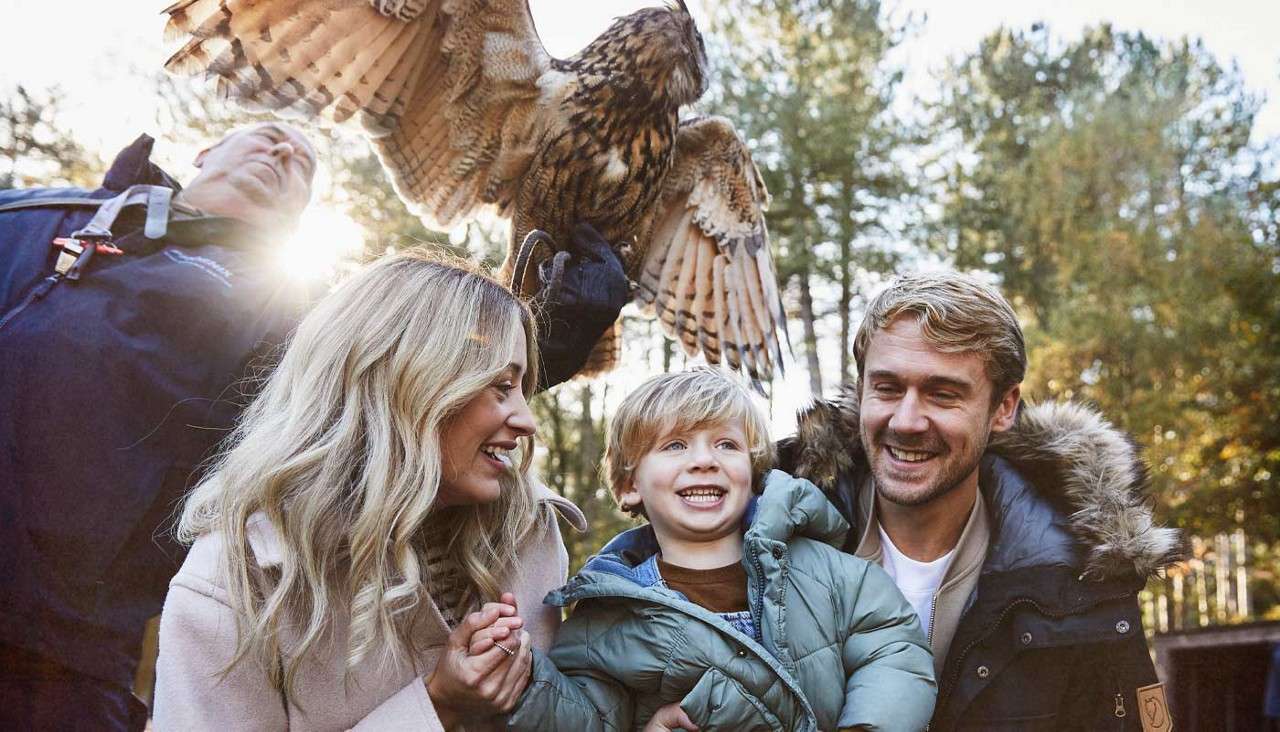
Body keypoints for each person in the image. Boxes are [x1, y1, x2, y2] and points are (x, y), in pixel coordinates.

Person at [0, 124, 625, 731]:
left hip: (68, 649)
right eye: (266, 136)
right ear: (207, 149)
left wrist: (548, 336)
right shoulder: (40, 216)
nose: (283, 149)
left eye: (303, 161)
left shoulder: (283, 310)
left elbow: (370, 404)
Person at [152, 251, 592, 729]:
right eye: (502, 385)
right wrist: (438, 707)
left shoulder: (531, 528)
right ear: (404, 383)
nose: (526, 420)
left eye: (523, 387)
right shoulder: (237, 576)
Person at [777, 272, 1183, 730]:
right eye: (888, 388)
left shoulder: (1082, 577)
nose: (906, 421)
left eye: (943, 394)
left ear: (1003, 408)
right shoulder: (763, 534)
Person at [500, 369, 937, 731]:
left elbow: (895, 653)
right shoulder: (609, 618)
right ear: (629, 486)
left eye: (726, 445)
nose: (704, 460)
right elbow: (584, 717)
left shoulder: (834, 575)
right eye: (675, 446)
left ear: (754, 470)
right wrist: (518, 673)